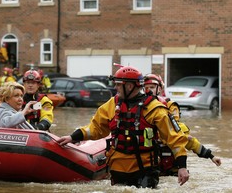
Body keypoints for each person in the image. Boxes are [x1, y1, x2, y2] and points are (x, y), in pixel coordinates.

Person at [57, 66, 190, 188]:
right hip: (118, 167)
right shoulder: (111, 105)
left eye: (119, 85)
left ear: (130, 86)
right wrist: (72, 137)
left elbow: (175, 138)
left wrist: (182, 167)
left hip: (144, 169)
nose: (116, 88)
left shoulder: (155, 109)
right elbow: (95, 129)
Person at [143, 74, 221, 175]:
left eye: (152, 87)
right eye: (145, 88)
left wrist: (211, 156)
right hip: (150, 162)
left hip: (170, 163)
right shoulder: (140, 107)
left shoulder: (169, 106)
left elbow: (179, 135)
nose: (148, 90)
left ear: (160, 88)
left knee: (183, 134)